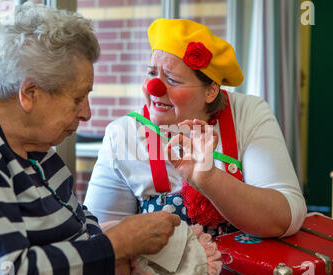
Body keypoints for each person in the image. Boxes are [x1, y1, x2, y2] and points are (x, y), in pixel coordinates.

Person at [0, 3, 180, 275]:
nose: (87, 113)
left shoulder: (35, 146)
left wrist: (110, 249)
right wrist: (116, 246)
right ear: (30, 93)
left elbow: (79, 220)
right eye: (78, 98)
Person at [85, 18, 307, 238]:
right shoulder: (122, 134)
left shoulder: (248, 113)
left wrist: (209, 179)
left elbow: (285, 219)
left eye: (172, 79)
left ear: (210, 91)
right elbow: (98, 237)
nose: (154, 87)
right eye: (152, 73)